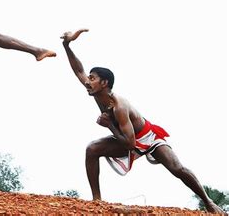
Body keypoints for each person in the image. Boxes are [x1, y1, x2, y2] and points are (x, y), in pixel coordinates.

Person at [60, 29, 225, 214]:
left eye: (92, 79)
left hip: (147, 137)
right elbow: (79, 70)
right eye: (88, 78)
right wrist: (66, 45)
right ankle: (96, 201)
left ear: (104, 83)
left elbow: (131, 145)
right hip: (126, 135)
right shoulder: (95, 92)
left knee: (177, 168)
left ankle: (209, 203)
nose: (87, 82)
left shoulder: (119, 106)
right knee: (92, 149)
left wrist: (110, 126)